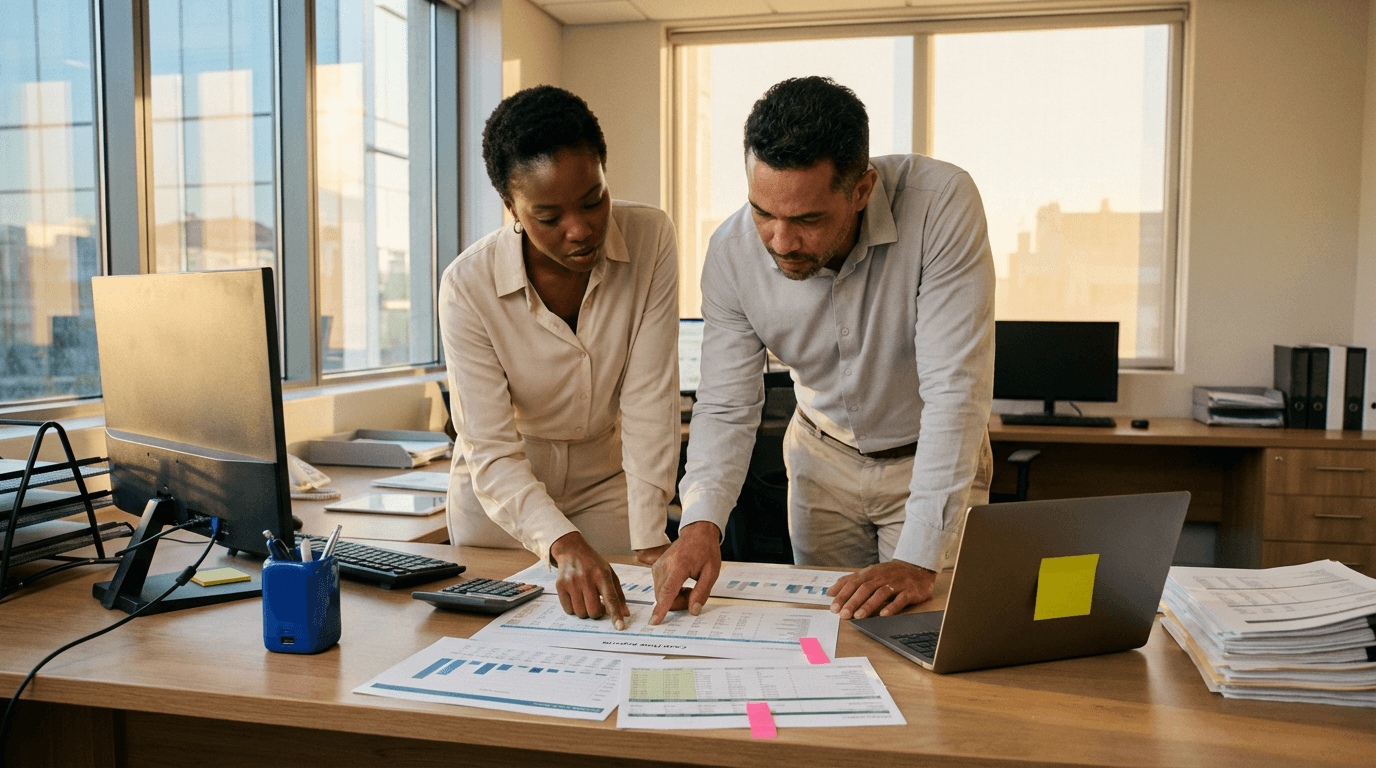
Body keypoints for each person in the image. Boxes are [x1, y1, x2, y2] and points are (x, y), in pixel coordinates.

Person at [651, 76, 994, 626]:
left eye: (807, 220)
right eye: (763, 212)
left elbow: (956, 390)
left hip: (928, 460)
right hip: (820, 459)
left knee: (922, 635)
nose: (781, 241)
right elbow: (726, 405)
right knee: (829, 632)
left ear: (862, 190)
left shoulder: (940, 204)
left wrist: (917, 557)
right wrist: (700, 523)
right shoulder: (732, 253)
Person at [439, 85, 680, 630]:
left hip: (606, 481)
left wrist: (650, 537)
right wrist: (560, 541)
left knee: (625, 632)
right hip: (505, 494)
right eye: (548, 216)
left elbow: (650, 398)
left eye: (593, 200)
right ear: (511, 207)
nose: (580, 229)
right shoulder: (467, 285)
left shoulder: (650, 238)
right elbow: (490, 447)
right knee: (497, 645)